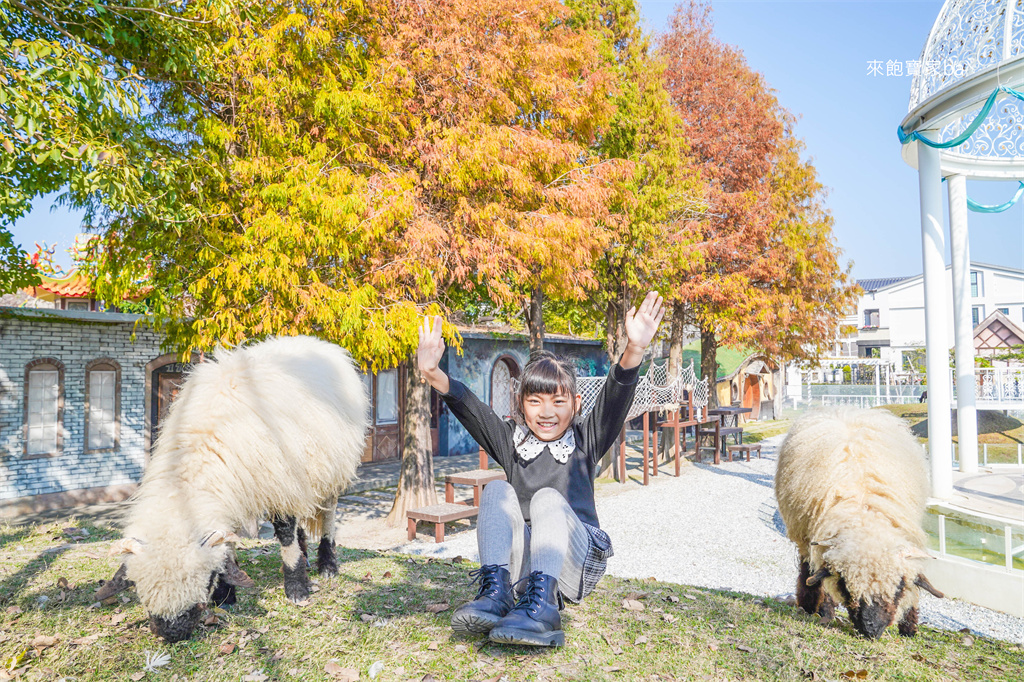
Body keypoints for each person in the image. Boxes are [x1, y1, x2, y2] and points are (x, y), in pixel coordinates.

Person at [416, 291, 665, 647]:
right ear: (521, 403)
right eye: (535, 401)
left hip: (573, 563)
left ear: (575, 404)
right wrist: (433, 373)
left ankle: (546, 610)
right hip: (526, 567)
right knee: (497, 490)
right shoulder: (512, 441)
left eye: (558, 401)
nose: (546, 412)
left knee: (547, 499)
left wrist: (635, 349)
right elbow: (470, 407)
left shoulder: (585, 440)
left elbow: (615, 398)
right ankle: (497, 595)